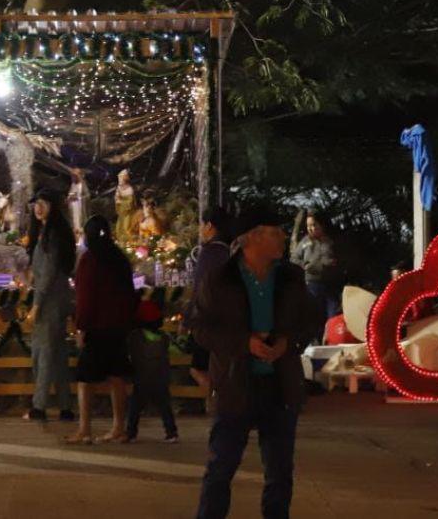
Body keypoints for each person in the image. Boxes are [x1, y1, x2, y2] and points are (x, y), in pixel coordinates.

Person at [192, 207, 321, 519]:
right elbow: (201, 328)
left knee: (279, 474)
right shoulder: (220, 279)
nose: (281, 239)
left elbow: (310, 320)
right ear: (252, 238)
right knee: (220, 469)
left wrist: (286, 342)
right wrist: (244, 343)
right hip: (236, 386)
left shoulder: (291, 277)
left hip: (279, 387)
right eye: (274, 232)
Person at [64, 214, 137, 445]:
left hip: (97, 327)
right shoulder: (119, 259)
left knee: (85, 379)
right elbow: (130, 294)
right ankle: (118, 427)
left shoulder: (90, 260)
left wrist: (81, 327)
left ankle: (84, 428)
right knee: (116, 376)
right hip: (118, 326)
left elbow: (85, 297)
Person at [25, 189, 76, 422]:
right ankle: (65, 406)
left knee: (43, 354)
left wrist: (36, 305)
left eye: (43, 203)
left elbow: (48, 273)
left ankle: (39, 406)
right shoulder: (49, 232)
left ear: (52, 206)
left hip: (50, 302)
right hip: (57, 297)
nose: (38, 207)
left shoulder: (52, 235)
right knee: (57, 354)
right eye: (36, 203)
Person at [186, 206, 237, 389]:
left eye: (202, 225)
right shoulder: (230, 251)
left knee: (199, 368)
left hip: (209, 319)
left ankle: (220, 399)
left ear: (209, 226)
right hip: (228, 316)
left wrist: (189, 318)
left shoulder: (209, 252)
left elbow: (200, 288)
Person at [127, 298, 178, 443]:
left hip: (141, 378)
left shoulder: (135, 337)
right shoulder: (163, 338)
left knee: (135, 408)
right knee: (165, 407)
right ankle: (171, 432)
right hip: (161, 378)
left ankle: (131, 433)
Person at [290, 210, 340, 324]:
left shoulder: (331, 241)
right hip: (312, 285)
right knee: (315, 317)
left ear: (321, 224)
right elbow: (294, 258)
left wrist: (334, 264)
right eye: (308, 226)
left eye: (314, 225)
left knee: (333, 318)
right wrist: (304, 265)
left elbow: (341, 259)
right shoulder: (304, 242)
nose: (311, 228)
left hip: (330, 285)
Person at [66, 168, 89, 237]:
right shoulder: (72, 185)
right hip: (73, 209)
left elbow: (87, 196)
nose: (73, 177)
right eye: (72, 176)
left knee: (81, 225)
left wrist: (79, 198)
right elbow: (70, 195)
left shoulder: (83, 185)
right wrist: (69, 198)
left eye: (75, 176)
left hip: (80, 209)